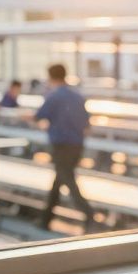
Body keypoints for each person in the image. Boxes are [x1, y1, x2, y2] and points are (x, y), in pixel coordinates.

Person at [32, 64, 95, 231]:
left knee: (67, 179)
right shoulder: (77, 96)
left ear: (51, 77)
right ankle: (45, 219)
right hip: (77, 144)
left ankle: (89, 214)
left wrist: (25, 117)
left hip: (61, 144)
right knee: (59, 179)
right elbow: (87, 125)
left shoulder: (53, 96)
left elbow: (39, 116)